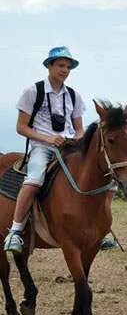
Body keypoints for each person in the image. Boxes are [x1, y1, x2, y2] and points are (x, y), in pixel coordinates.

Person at [4, 46, 86, 253]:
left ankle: (98, 231)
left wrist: (76, 139)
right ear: (49, 66)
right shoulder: (33, 91)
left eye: (68, 66)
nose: (64, 70)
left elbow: (79, 129)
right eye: (60, 65)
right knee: (34, 180)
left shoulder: (74, 96)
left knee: (93, 177)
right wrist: (48, 138)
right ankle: (14, 232)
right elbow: (21, 127)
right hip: (43, 147)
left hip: (69, 149)